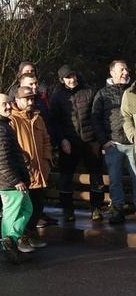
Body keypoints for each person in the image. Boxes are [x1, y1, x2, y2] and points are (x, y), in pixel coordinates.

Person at [48, 65, 104, 226]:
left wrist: (100, 140)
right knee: (66, 177)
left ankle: (96, 208)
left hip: (90, 140)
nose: (72, 79)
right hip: (69, 141)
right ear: (62, 80)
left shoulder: (89, 91)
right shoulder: (57, 97)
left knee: (96, 176)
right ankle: (67, 210)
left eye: (73, 76)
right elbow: (54, 122)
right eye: (68, 77)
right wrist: (62, 140)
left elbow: (96, 116)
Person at [0, 93, 37, 260]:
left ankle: (10, 240)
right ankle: (9, 243)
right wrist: (16, 180)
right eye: (4, 104)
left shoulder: (1, 124)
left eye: (9, 103)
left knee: (26, 208)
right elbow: (1, 160)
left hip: (9, 179)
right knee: (11, 213)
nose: (8, 106)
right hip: (9, 181)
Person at [92, 60, 135, 224]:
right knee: (115, 179)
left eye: (126, 69)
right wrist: (104, 141)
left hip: (134, 143)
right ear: (112, 73)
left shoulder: (133, 90)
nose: (125, 72)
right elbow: (95, 119)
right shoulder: (102, 94)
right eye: (121, 69)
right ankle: (117, 209)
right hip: (114, 144)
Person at [10, 85, 53, 232]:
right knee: (23, 210)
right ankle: (20, 237)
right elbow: (10, 146)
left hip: (39, 172)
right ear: (17, 100)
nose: (30, 102)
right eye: (26, 99)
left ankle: (30, 236)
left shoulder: (38, 118)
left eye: (32, 99)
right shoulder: (12, 119)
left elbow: (46, 140)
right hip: (24, 174)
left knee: (37, 207)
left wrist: (46, 161)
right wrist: (22, 164)